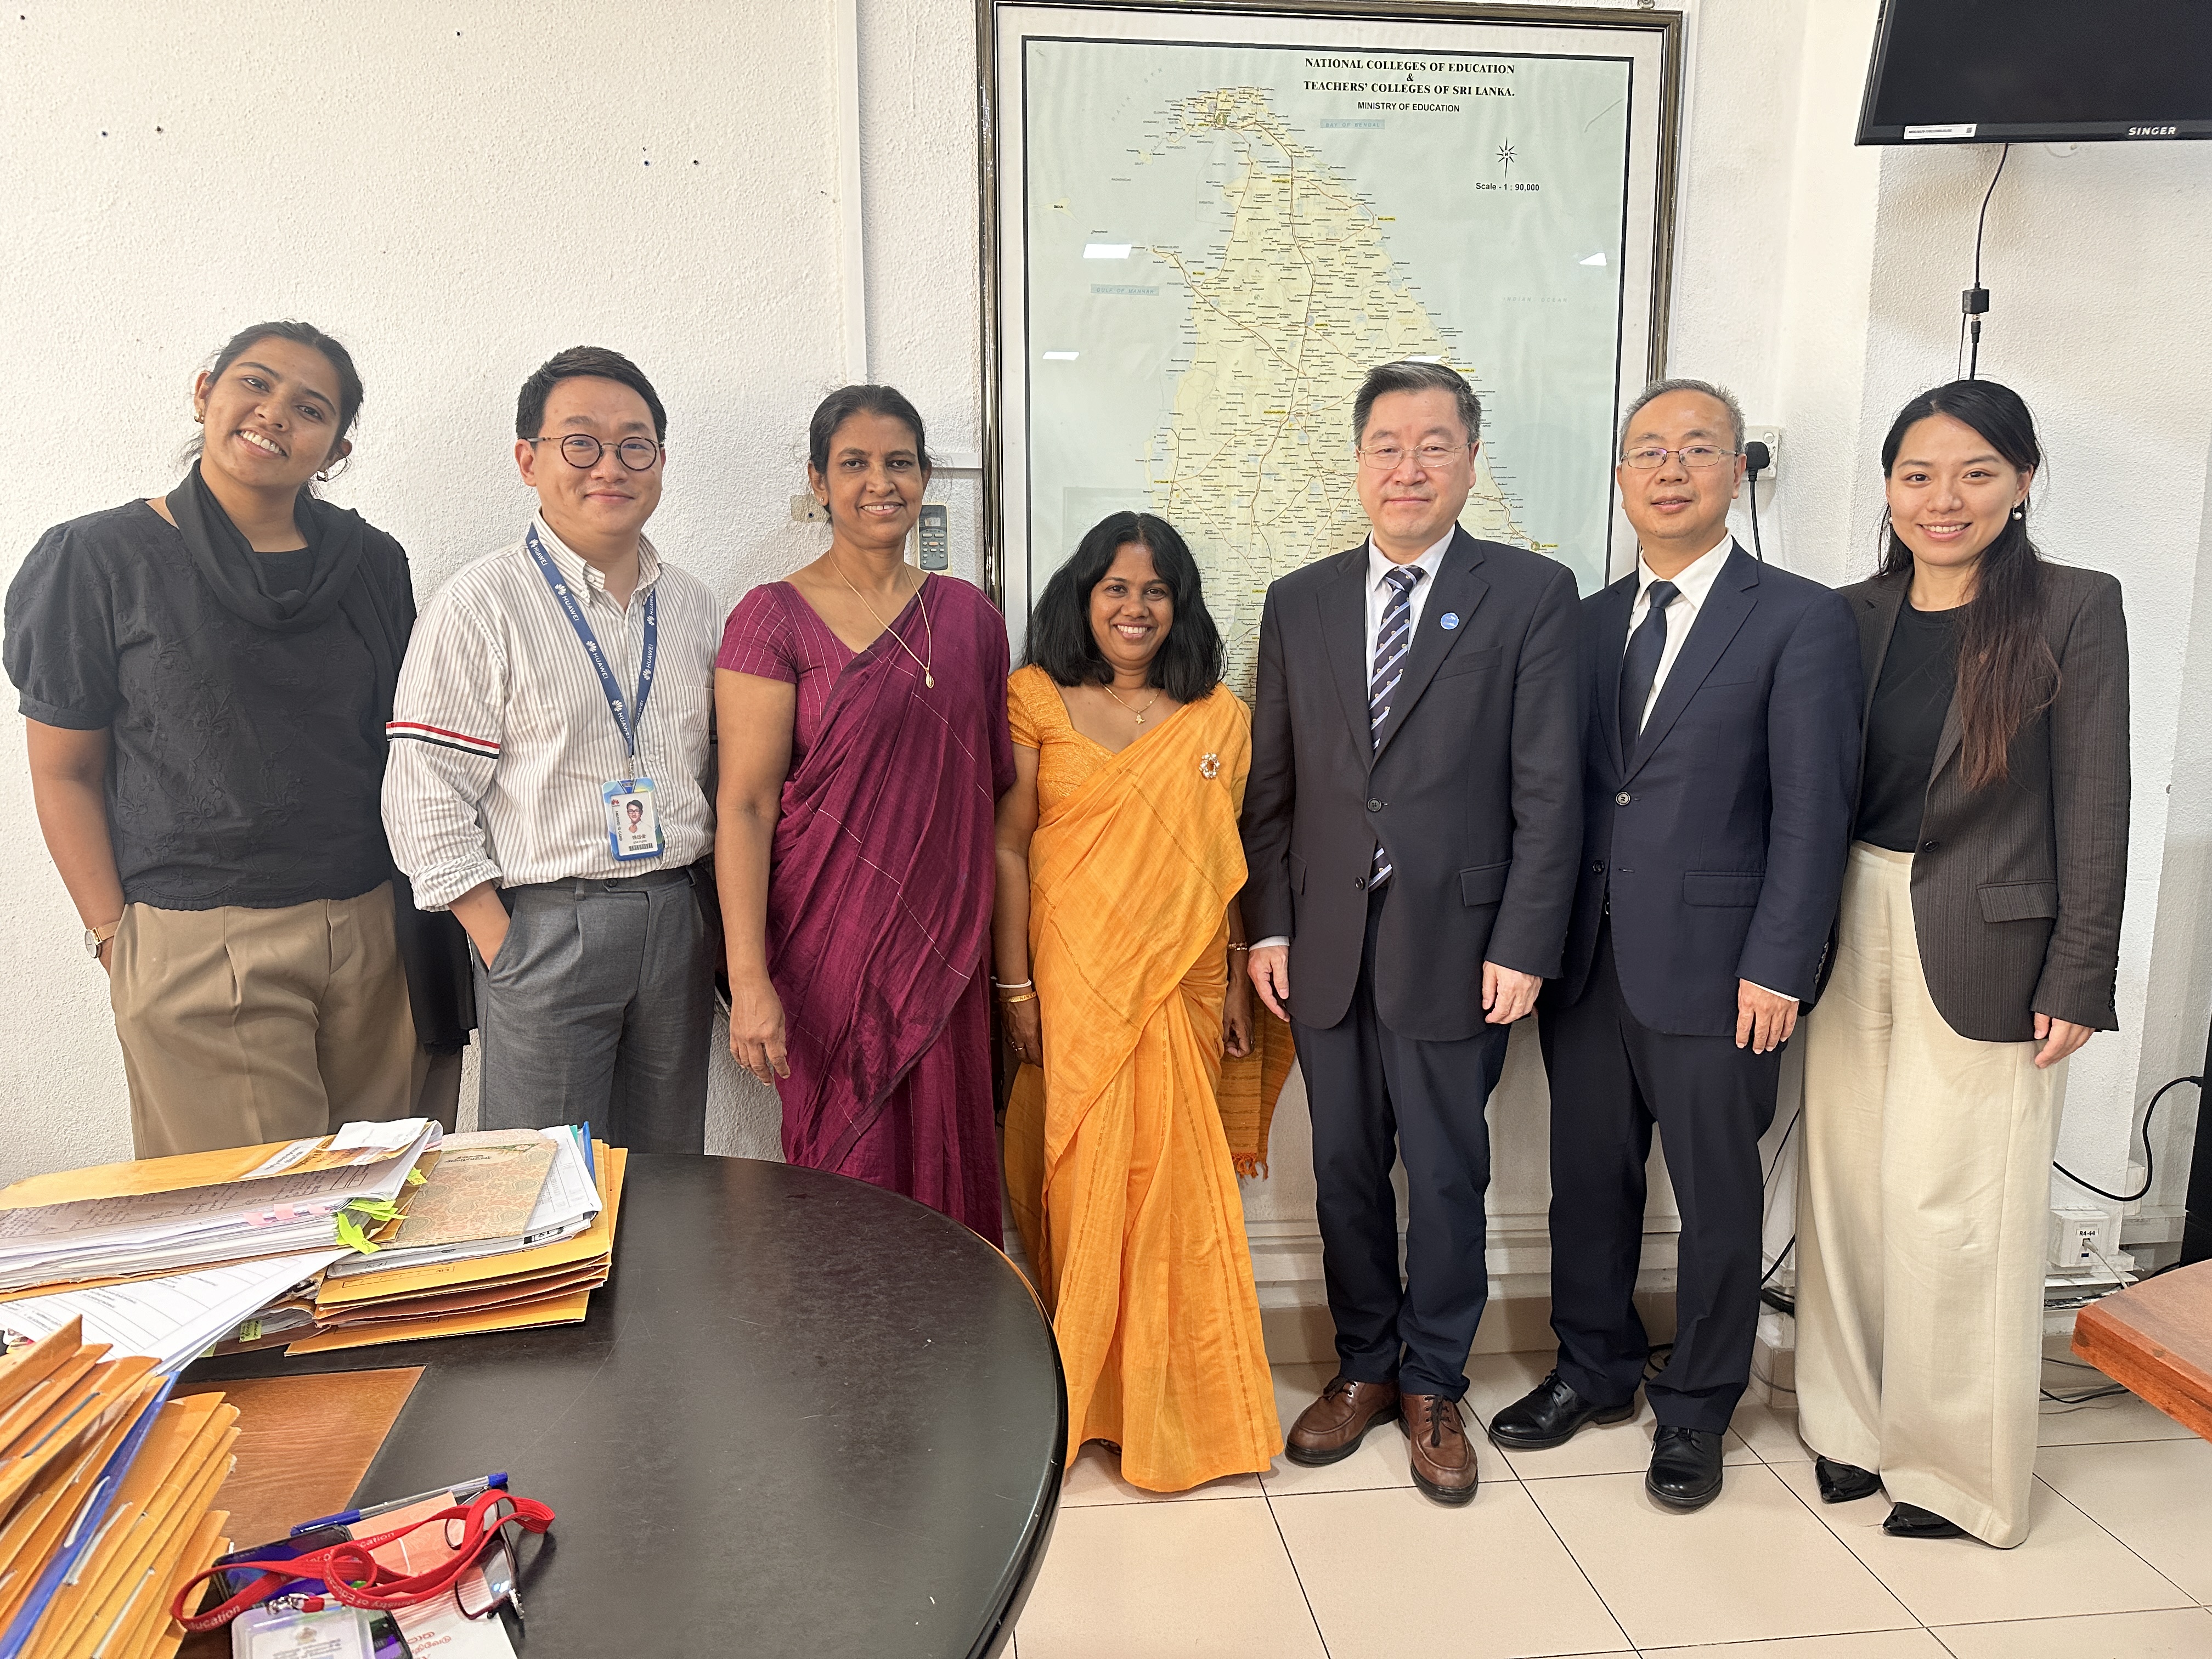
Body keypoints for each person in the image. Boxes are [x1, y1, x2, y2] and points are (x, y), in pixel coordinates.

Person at [1488, 379, 1861, 1511]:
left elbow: (1814, 813)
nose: (1670, 469)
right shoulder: (1584, 621)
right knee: (1587, 1185)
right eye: (1648, 451)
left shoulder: (1799, 618)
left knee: (1717, 1198)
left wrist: (1781, 963)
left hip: (1723, 970)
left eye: (1697, 449)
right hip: (1589, 962)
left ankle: (1698, 1405)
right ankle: (1595, 1369)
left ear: (1736, 471)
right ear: (1620, 478)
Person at [1794, 380, 2129, 1548]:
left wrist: (2080, 971)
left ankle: (1951, 1471)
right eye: (1918, 475)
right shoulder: (1845, 614)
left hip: (1995, 938)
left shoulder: (2075, 607)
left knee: (1957, 1203)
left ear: (2023, 481)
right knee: (1844, 1186)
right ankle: (1848, 1424)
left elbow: (2097, 800)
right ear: (1888, 487)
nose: (1945, 499)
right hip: (1849, 915)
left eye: (1977, 473)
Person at [1240, 359, 1582, 1503]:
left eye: (1435, 445)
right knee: (1342, 1169)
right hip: (1325, 943)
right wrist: (1269, 929)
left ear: (1471, 461)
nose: (1409, 467)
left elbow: (1550, 792)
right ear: (1358, 463)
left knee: (1443, 1173)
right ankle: (1365, 1367)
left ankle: (1436, 1381)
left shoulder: (1529, 594)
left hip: (1461, 943)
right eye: (1387, 445)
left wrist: (1525, 941)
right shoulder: (1300, 601)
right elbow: (1274, 789)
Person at [5, 319, 470, 1156]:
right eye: (255, 383)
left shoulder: (371, 562)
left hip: (377, 927)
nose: (275, 412)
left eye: (311, 408)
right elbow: (64, 771)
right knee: (255, 1216)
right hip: (200, 932)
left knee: (387, 1203)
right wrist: (114, 937)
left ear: (337, 449)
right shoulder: (99, 558)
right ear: (205, 393)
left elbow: (405, 746)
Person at [995, 511, 1280, 1492]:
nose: (1135, 607)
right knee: (1085, 1181)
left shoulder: (1218, 716)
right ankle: (1084, 1397)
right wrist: (1014, 983)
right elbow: (1007, 847)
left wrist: (1237, 970)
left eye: (1156, 590)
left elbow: (1222, 861)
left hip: (1183, 982)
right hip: (1072, 980)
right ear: (1083, 597)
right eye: (1115, 587)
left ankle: (1185, 1409)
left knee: (1175, 1188)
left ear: (1180, 605)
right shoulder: (1034, 697)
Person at [382, 346, 721, 1150]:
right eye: (581, 443)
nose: (610, 466)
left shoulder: (695, 606)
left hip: (677, 914)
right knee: (544, 1180)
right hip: (545, 924)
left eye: (634, 445)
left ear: (661, 461)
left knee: (668, 1168)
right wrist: (503, 944)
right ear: (528, 460)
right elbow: (424, 789)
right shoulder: (481, 602)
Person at [717, 386, 1014, 1241]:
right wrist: (748, 980)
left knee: (951, 1165)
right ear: (818, 481)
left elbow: (992, 797)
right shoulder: (770, 618)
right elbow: (744, 806)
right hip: (827, 960)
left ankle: (952, 1331)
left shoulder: (969, 619)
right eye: (854, 464)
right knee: (846, 1173)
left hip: (945, 952)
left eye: (899, 463)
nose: (880, 483)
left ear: (925, 477)